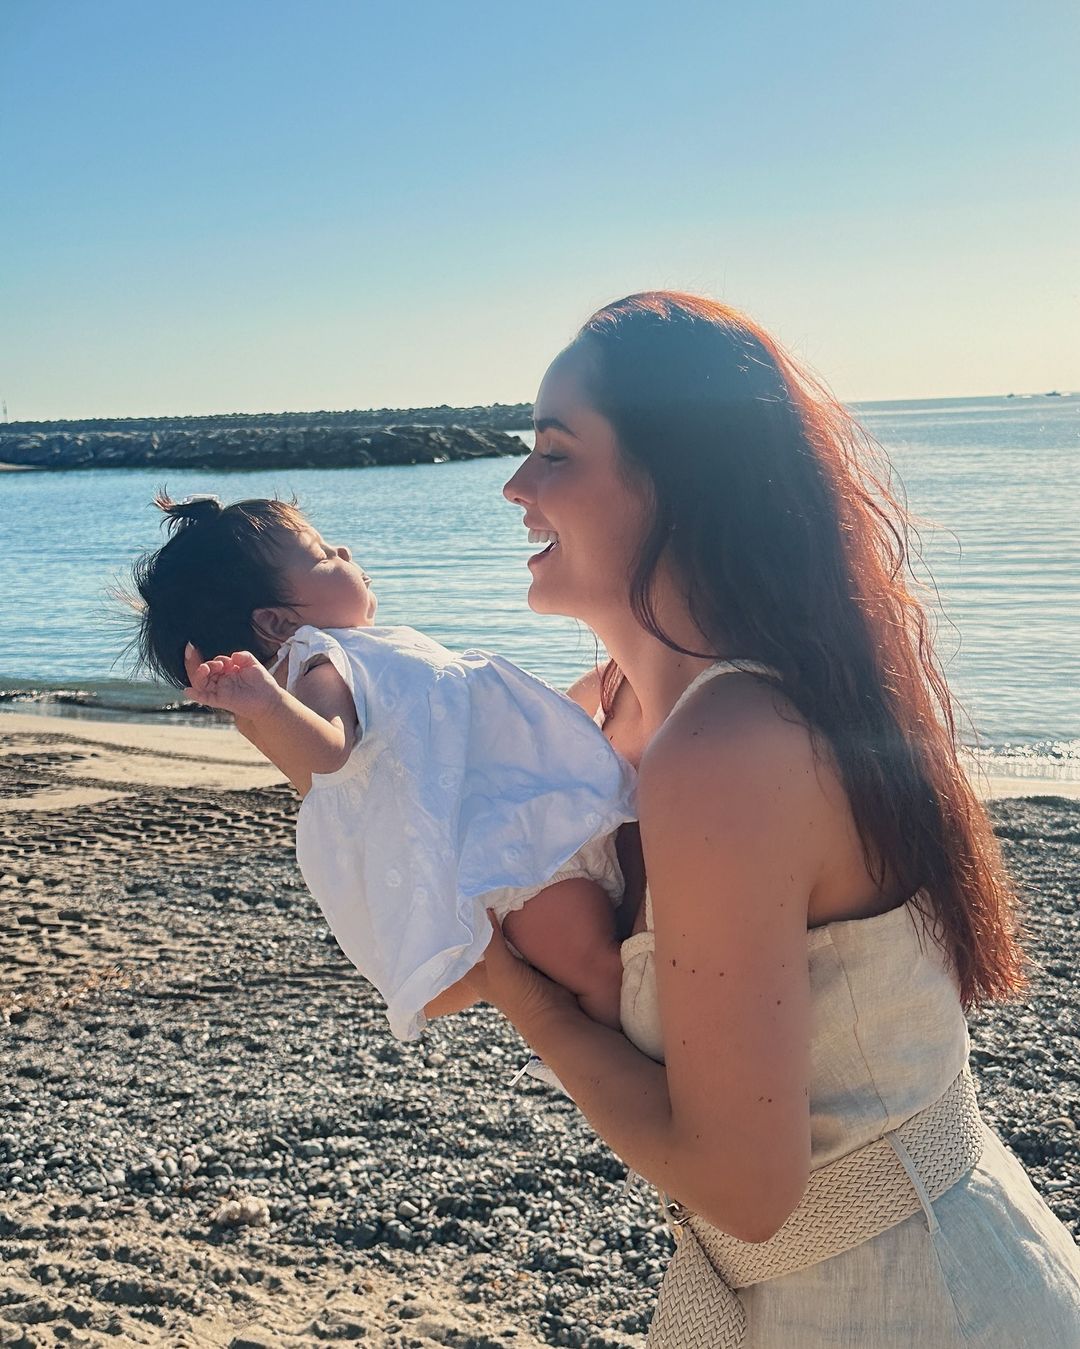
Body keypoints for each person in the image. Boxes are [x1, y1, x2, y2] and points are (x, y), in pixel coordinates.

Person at [442, 292, 1080, 1345]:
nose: (515, 484)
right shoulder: (611, 712)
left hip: (920, 1306)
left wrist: (521, 992)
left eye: (556, 452)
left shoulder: (732, 741)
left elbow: (745, 1187)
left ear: (680, 483)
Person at [129, 496, 635, 1041]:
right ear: (277, 622)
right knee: (599, 967)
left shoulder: (359, 650)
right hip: (503, 858)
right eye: (322, 555)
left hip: (518, 823)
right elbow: (329, 756)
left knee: (605, 949)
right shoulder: (321, 664)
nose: (343, 550)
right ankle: (620, 1060)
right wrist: (269, 707)